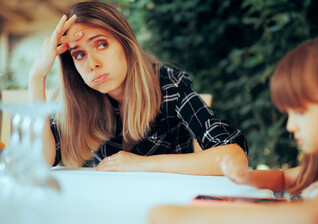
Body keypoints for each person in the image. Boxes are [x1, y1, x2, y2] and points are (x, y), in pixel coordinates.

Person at [148, 31, 318, 224]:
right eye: (289, 114)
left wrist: (196, 216)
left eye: (300, 112)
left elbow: (312, 216)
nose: (290, 126)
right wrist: (247, 177)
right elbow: (284, 177)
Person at [27, 1, 248, 175]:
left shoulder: (169, 85)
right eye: (79, 54)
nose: (92, 63)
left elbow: (234, 157)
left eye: (101, 44)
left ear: (126, 44)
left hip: (166, 207)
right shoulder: (80, 99)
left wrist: (143, 164)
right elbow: (38, 162)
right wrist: (37, 76)